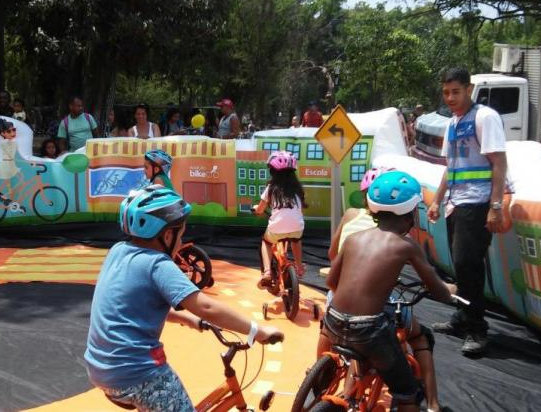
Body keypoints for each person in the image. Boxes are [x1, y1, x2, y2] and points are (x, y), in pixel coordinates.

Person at [84, 185, 284, 410]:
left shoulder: (117, 251)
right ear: (167, 235)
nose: (181, 243)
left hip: (99, 367)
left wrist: (187, 319)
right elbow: (206, 306)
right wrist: (257, 331)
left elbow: (133, 308)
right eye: (181, 235)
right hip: (138, 372)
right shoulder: (158, 264)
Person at [325, 171, 457, 412]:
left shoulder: (354, 238)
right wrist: (449, 293)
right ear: (410, 214)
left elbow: (332, 281)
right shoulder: (406, 245)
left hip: (332, 321)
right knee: (407, 392)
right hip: (368, 331)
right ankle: (431, 405)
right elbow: (437, 289)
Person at [427, 67, 507, 356]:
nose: (450, 97)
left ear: (469, 89)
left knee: (468, 265)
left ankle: (477, 330)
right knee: (460, 266)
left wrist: (495, 206)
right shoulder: (453, 122)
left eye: (456, 91)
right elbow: (452, 166)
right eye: (446, 92)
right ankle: (462, 318)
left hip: (478, 202)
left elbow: (499, 163)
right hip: (456, 203)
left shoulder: (485, 117)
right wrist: (437, 200)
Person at [252, 151, 306, 289]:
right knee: (296, 239)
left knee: (266, 242)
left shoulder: (271, 188)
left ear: (273, 172)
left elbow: (260, 208)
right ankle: (299, 267)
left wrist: (257, 210)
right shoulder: (298, 190)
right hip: (297, 227)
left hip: (277, 229)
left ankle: (267, 271)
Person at [0, 119, 22, 200]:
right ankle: (5, 196)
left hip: (11, 164)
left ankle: (6, 196)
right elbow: (11, 156)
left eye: (14, 130)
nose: (12, 133)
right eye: (9, 131)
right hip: (6, 165)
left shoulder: (13, 142)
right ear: (2, 133)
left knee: (15, 181)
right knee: (10, 183)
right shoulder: (4, 143)